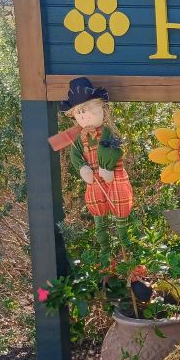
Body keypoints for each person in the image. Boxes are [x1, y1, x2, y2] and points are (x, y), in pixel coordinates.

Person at [58, 77, 133, 256]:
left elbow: (115, 149)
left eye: (87, 110)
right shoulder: (78, 139)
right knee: (99, 218)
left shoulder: (107, 131)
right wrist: (83, 168)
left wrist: (106, 166)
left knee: (121, 215)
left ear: (100, 107)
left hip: (112, 178)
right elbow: (76, 155)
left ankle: (128, 255)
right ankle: (105, 256)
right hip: (94, 182)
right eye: (79, 113)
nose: (84, 116)